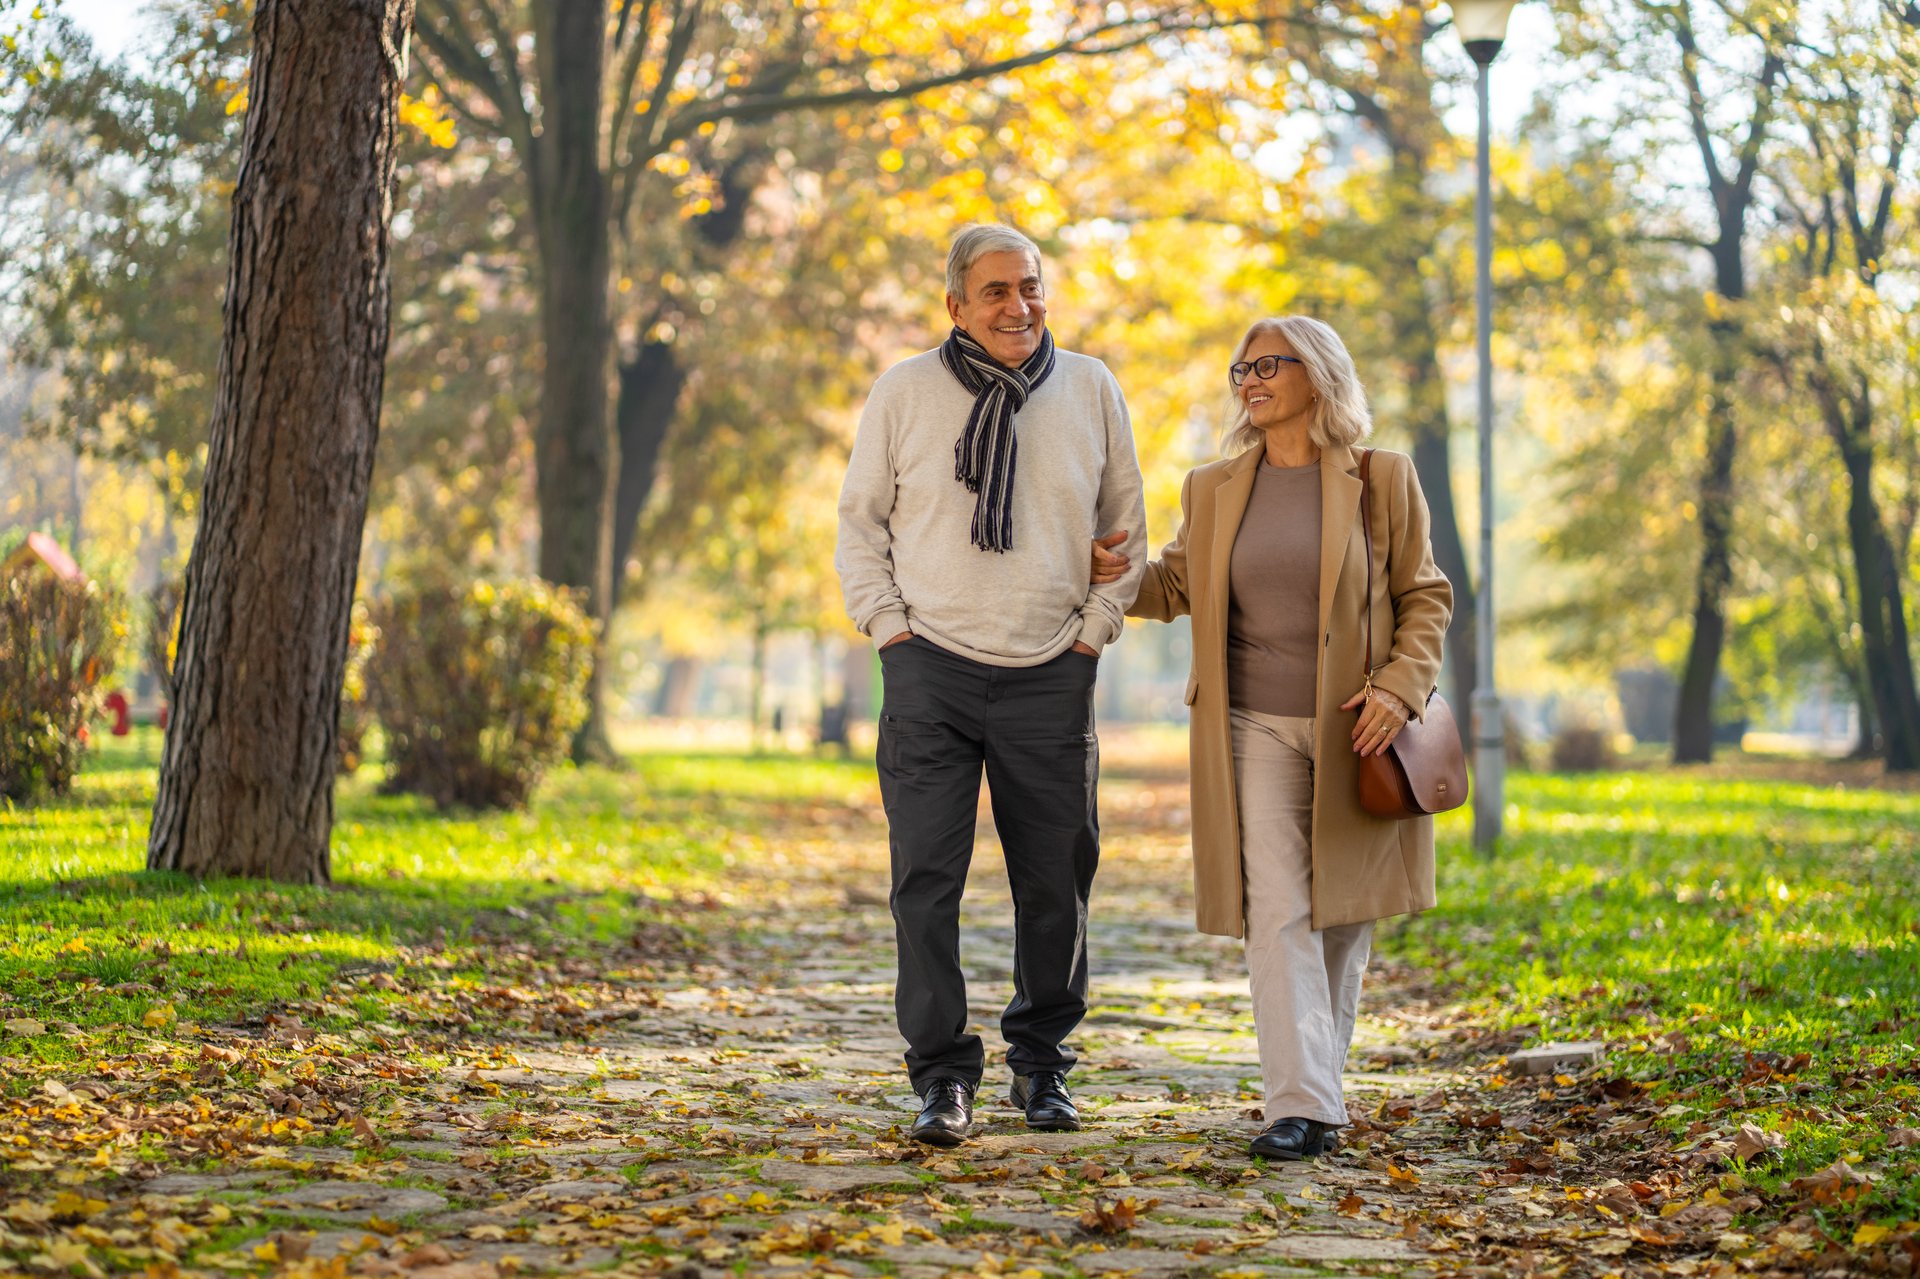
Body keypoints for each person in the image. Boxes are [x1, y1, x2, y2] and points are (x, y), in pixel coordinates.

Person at [1090, 315, 1450, 1160]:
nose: (1248, 382)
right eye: (1240, 370)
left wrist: (1400, 687)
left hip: (1359, 726)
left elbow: (1424, 595)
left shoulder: (1380, 478)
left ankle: (1316, 1091)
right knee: (1279, 909)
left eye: (1266, 366)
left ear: (1317, 374)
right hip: (1249, 723)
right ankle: (1300, 1103)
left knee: (1344, 916)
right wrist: (1116, 573)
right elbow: (1177, 585)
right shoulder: (1213, 486)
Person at [835, 224, 1146, 1147]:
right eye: (998, 291)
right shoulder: (903, 392)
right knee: (925, 883)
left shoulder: (1090, 387)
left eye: (1032, 287)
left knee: (1056, 881)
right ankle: (940, 1074)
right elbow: (861, 524)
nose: (1020, 306)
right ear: (957, 306)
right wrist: (890, 631)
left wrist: (1091, 634)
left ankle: (1042, 1063)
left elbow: (1125, 530)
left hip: (1052, 668)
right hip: (928, 666)